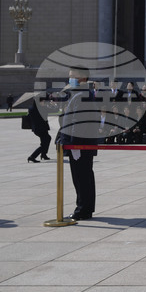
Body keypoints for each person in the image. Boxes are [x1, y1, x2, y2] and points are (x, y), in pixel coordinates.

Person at [56, 66, 98, 222]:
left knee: (81, 178)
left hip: (80, 145)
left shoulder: (81, 95)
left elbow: (78, 122)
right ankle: (86, 208)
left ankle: (82, 209)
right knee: (85, 176)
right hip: (82, 144)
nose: (70, 79)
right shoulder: (82, 94)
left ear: (83, 78)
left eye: (72, 76)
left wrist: (74, 145)